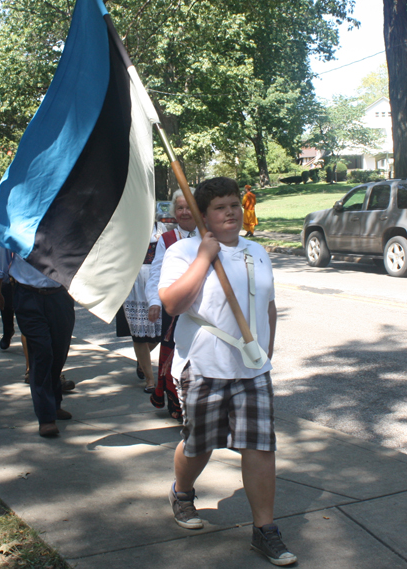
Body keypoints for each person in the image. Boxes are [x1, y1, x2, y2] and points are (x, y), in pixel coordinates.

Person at [159, 177, 296, 566]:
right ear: (204, 216)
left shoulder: (257, 251)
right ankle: (182, 492)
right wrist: (205, 257)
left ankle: (265, 530)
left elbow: (268, 306)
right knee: (200, 442)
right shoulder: (184, 251)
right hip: (204, 365)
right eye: (220, 207)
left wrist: (264, 354)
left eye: (234, 204)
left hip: (252, 370)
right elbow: (172, 304)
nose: (231, 212)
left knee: (260, 445)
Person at [0, 244, 75, 438]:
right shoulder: (17, 221)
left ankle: (54, 404)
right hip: (27, 295)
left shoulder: (62, 217)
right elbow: (2, 257)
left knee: (59, 351)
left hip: (60, 295)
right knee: (41, 352)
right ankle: (46, 417)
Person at [145, 189, 196, 421]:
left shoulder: (209, 236)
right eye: (180, 208)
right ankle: (176, 403)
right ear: (174, 212)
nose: (185, 212)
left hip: (201, 308)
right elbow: (157, 272)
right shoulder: (167, 240)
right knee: (175, 355)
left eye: (189, 207)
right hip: (174, 308)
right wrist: (155, 301)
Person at [117, 221, 166, 393]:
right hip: (134, 280)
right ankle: (150, 379)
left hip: (155, 278)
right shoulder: (129, 224)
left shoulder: (160, 227)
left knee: (157, 333)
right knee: (139, 334)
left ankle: (141, 360)